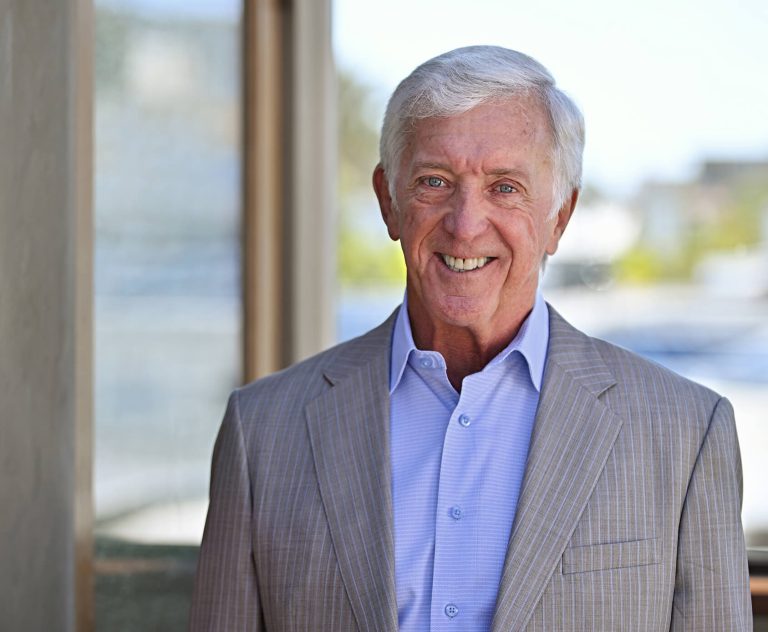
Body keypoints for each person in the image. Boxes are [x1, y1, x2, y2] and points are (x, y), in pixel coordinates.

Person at [189, 46, 751, 631]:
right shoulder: (262, 432)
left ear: (559, 217)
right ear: (389, 202)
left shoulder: (685, 433)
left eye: (505, 188)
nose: (465, 223)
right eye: (435, 181)